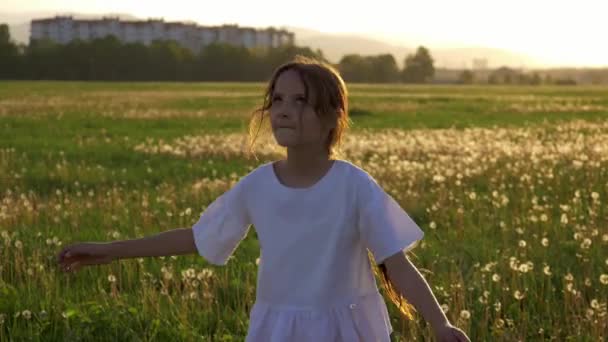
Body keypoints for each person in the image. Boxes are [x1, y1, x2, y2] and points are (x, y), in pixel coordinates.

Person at [57, 56, 471, 342]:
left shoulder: (353, 185)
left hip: (346, 330)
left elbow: (395, 262)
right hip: (278, 330)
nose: (284, 110)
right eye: (277, 99)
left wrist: (440, 323)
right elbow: (198, 237)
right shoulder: (257, 186)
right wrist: (110, 251)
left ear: (332, 117)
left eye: (300, 100)